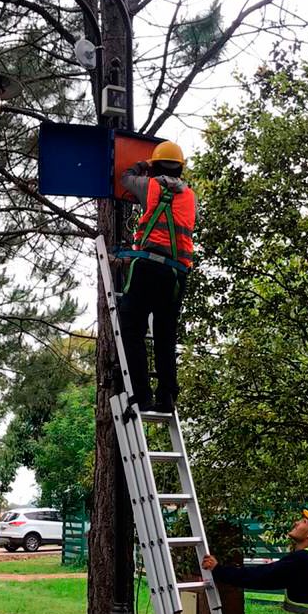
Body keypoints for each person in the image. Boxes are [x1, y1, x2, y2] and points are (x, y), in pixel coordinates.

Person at [117, 140, 196, 413]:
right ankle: (167, 396)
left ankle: (142, 395)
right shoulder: (190, 196)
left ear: (156, 166)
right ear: (180, 169)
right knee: (165, 334)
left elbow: (126, 177)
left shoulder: (149, 186)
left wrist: (143, 165)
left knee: (131, 328)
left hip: (148, 267)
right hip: (176, 274)